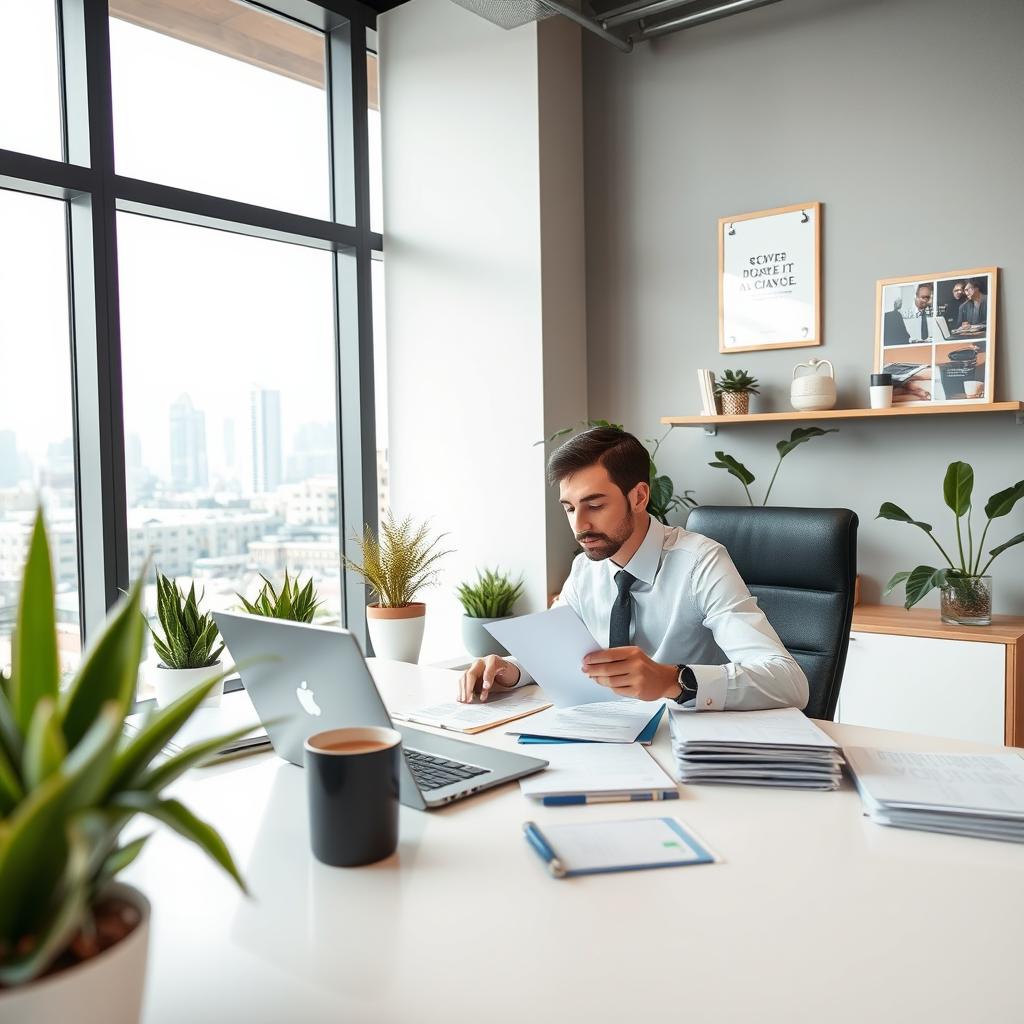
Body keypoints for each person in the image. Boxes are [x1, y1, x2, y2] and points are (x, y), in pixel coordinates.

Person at [457, 427, 809, 711]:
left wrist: (674, 680)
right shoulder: (585, 569)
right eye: (569, 508)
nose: (579, 525)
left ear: (639, 497)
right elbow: (555, 654)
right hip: (605, 739)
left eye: (594, 505)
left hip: (686, 747)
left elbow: (789, 681)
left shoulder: (701, 562)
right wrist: (507, 670)